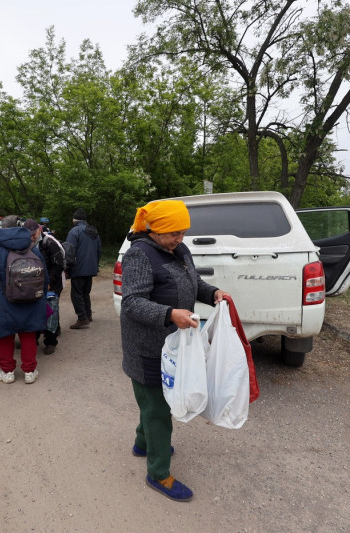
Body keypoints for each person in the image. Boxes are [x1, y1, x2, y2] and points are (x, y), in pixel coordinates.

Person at [119, 200, 229, 502]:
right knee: (157, 410)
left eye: (182, 233)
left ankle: (143, 445)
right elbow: (131, 303)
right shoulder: (139, 256)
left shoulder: (178, 251)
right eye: (173, 234)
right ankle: (158, 474)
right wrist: (170, 313)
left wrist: (213, 292)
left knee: (155, 404)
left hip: (173, 344)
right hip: (147, 347)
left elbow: (193, 282)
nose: (180, 239)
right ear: (154, 230)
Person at [0, 215, 48, 385]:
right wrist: (42, 296)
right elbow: (43, 275)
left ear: (1, 228)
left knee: (3, 335)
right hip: (31, 298)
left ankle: (7, 372)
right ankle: (30, 371)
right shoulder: (31, 246)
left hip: (2, 299)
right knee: (28, 333)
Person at [26, 218, 65, 355]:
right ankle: (34, 337)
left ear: (39, 230)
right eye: (28, 235)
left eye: (33, 234)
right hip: (33, 285)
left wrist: (49, 283)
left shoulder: (49, 242)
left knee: (51, 312)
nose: (32, 237)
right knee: (34, 312)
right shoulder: (24, 244)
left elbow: (58, 265)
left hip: (51, 284)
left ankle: (50, 341)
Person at [65, 208, 101, 329]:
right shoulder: (94, 231)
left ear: (74, 220)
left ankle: (82, 318)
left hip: (78, 268)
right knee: (85, 292)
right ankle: (88, 314)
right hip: (91, 268)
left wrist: (67, 268)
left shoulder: (74, 231)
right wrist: (95, 265)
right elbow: (99, 251)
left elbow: (69, 251)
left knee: (76, 294)